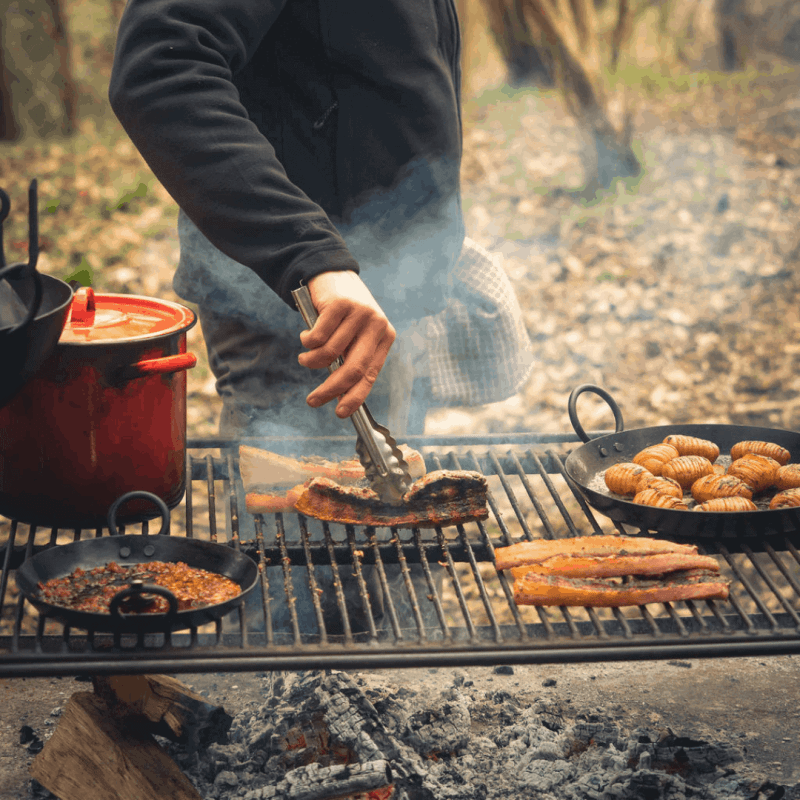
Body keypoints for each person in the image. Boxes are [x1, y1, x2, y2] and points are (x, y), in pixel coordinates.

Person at [109, 0, 533, 636]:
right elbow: (162, 64)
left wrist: (425, 249)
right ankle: (297, 725)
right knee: (306, 601)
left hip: (383, 295)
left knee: (397, 563)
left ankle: (410, 706)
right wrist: (310, 257)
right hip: (298, 308)